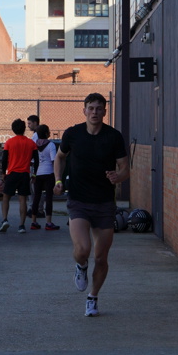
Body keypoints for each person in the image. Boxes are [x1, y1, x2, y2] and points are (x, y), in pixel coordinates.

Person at [54, 93, 129, 317]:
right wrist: (58, 180)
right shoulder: (72, 134)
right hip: (78, 200)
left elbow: (125, 169)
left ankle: (93, 297)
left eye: (99, 108)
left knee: (101, 257)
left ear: (105, 111)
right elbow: (60, 157)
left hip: (104, 202)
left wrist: (118, 177)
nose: (95, 112)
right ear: (84, 110)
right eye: (91, 108)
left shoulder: (113, 137)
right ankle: (81, 266)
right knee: (83, 250)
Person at [0, 119, 37, 234]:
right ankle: (21, 225)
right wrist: (34, 174)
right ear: (24, 128)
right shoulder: (31, 143)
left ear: (13, 129)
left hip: (12, 173)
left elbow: (4, 159)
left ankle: (5, 219)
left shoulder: (9, 142)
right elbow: (37, 160)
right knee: (22, 200)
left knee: (6, 197)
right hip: (25, 174)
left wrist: (3, 173)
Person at [29, 124, 60, 230]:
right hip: (49, 173)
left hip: (38, 173)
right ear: (47, 134)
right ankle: (48, 222)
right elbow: (54, 160)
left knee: (36, 197)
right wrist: (57, 175)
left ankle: (34, 221)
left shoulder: (34, 145)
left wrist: (33, 174)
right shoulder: (51, 145)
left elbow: (32, 161)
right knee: (49, 198)